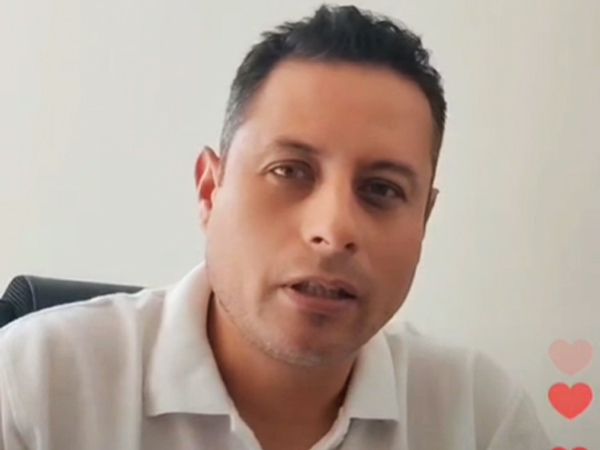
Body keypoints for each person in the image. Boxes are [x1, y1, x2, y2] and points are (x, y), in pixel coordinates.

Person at [0, 4, 551, 450]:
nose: (333, 230)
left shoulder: (479, 418)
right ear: (210, 190)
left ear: (424, 220)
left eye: (382, 190)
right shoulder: (33, 385)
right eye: (289, 171)